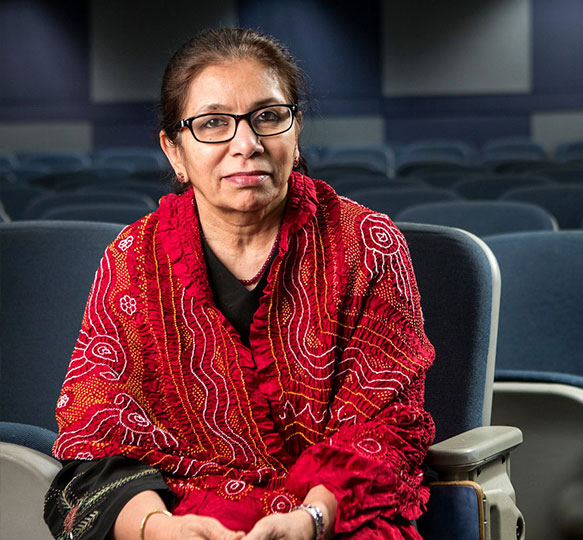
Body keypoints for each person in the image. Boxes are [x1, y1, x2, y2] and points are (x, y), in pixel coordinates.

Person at [44, 28, 435, 540]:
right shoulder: (132, 259)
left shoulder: (367, 244)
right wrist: (156, 529)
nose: (246, 145)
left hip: (334, 520)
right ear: (175, 152)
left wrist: (312, 519)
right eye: (212, 124)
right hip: (183, 522)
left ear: (295, 135)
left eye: (268, 117)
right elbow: (96, 435)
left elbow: (388, 424)